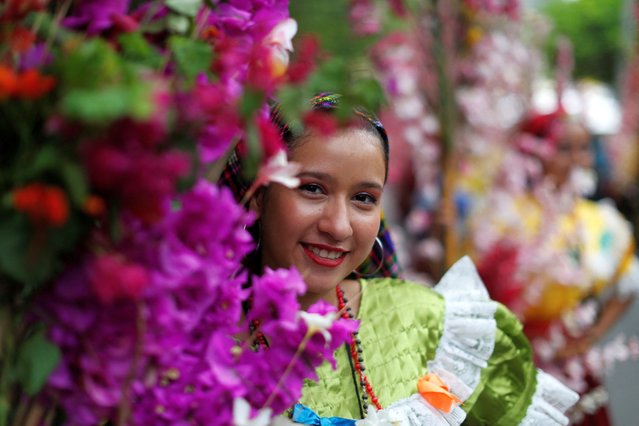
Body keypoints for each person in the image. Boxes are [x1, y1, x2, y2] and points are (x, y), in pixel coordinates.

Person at [220, 93, 578, 425]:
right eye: (312, 189)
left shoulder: (435, 328)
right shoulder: (201, 346)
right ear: (258, 193)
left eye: (363, 198)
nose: (339, 226)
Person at [470, 109, 639, 425]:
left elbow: (627, 285)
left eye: (583, 147)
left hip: (573, 365)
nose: (576, 158)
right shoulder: (505, 216)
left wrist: (591, 337)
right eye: (563, 148)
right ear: (534, 151)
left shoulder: (599, 221)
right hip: (513, 360)